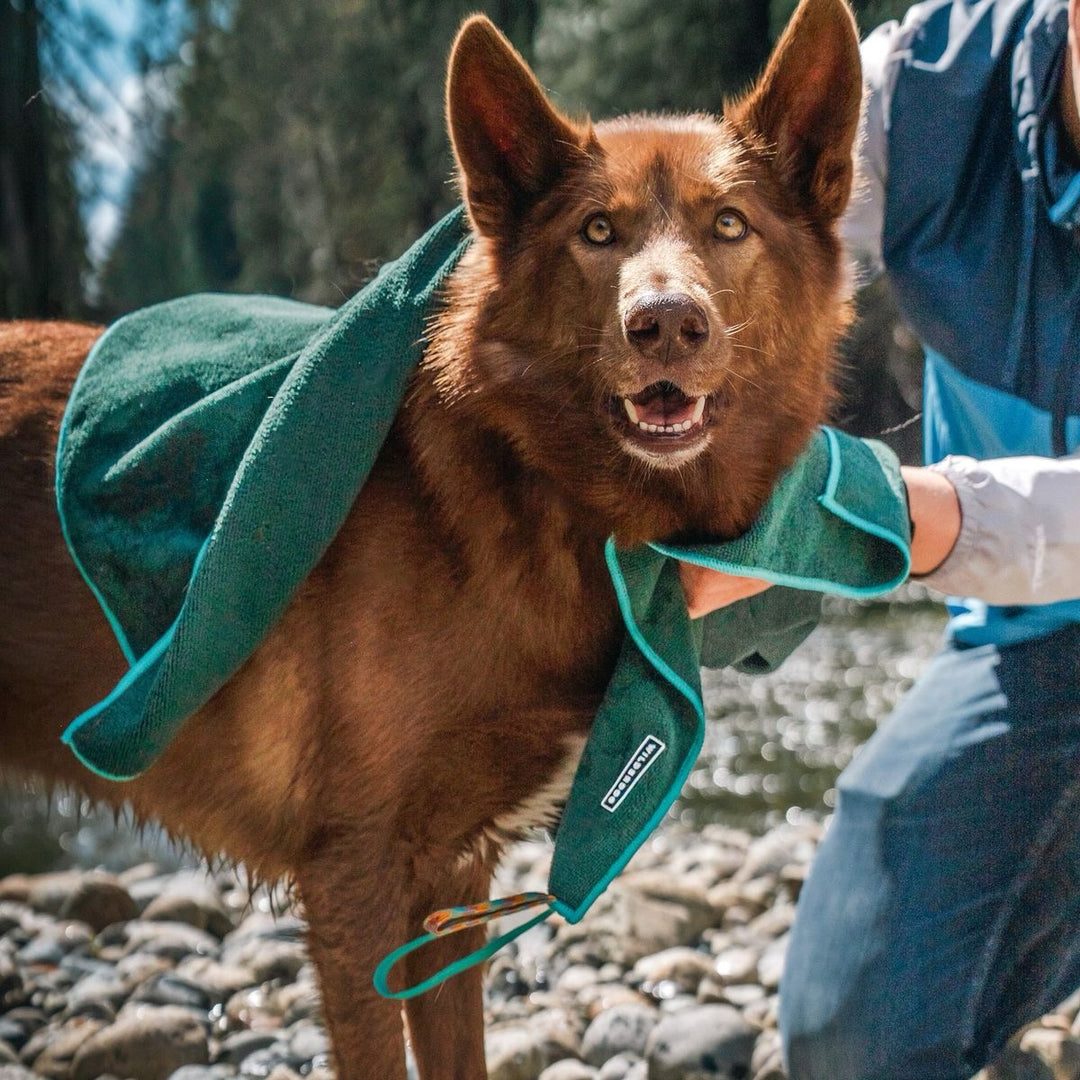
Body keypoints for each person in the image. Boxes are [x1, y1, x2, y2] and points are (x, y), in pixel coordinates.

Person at [681, 1, 1080, 1077]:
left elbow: (906, 518)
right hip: (1030, 655)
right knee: (854, 1035)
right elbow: (716, 226)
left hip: (966, 548)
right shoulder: (922, 92)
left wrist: (894, 515)